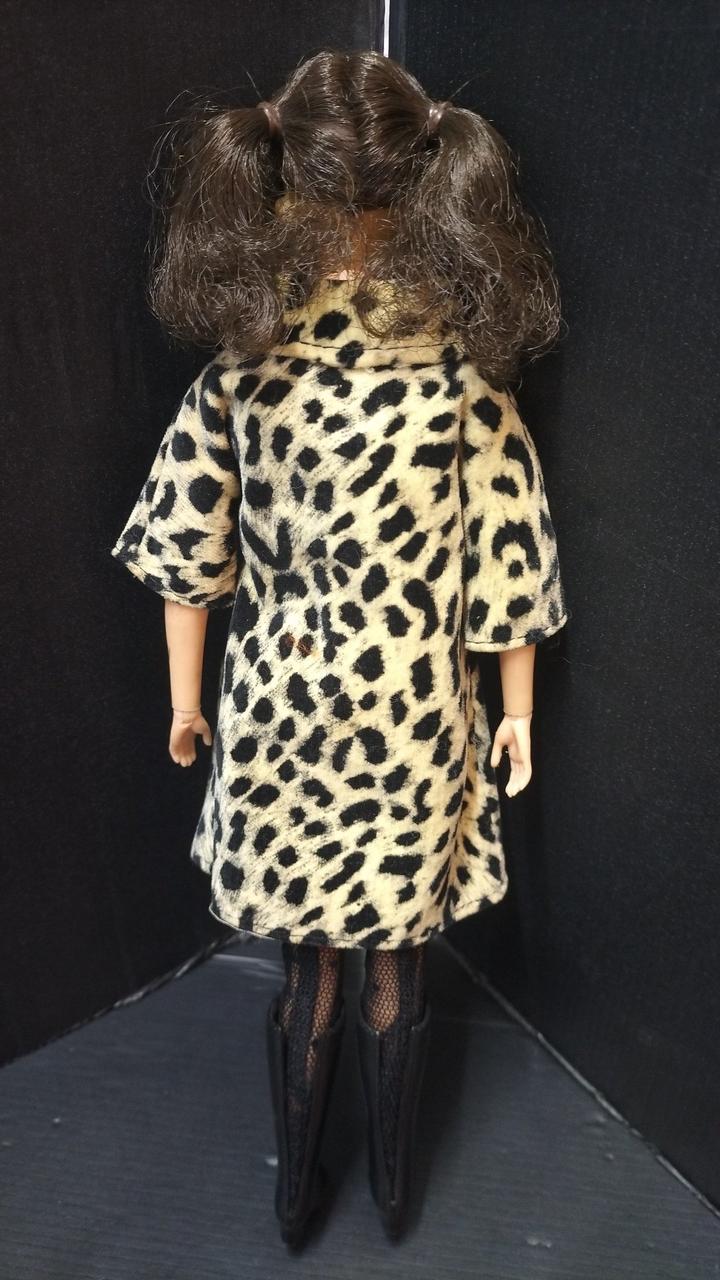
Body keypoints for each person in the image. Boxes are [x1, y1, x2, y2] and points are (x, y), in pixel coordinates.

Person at [109, 48, 570, 1247]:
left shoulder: (245, 370)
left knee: (314, 965)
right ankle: (392, 1189)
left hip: (283, 709)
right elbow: (509, 560)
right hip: (409, 710)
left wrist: (186, 702)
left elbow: (185, 551)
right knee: (390, 961)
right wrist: (515, 709)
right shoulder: (454, 376)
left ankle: (297, 1192)